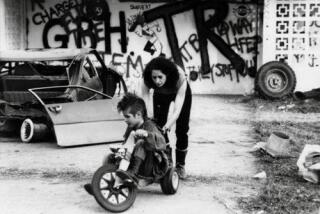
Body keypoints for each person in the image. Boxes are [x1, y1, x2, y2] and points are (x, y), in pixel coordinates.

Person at [84, 93, 166, 194]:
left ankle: (133, 174)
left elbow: (162, 143)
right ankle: (103, 183)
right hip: (132, 160)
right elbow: (127, 145)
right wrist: (119, 151)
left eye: (127, 116)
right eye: (124, 116)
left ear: (138, 115)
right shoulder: (131, 127)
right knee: (110, 157)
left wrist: (146, 134)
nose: (125, 120)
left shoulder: (149, 126)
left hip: (148, 166)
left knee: (140, 143)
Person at [140, 57, 192, 179]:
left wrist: (168, 125)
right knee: (158, 126)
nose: (157, 81)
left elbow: (177, 111)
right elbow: (145, 102)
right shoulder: (146, 80)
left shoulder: (180, 77)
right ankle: (167, 163)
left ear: (167, 74)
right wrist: (147, 120)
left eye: (160, 77)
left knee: (182, 128)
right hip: (161, 95)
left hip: (179, 92)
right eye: (154, 77)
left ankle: (180, 166)